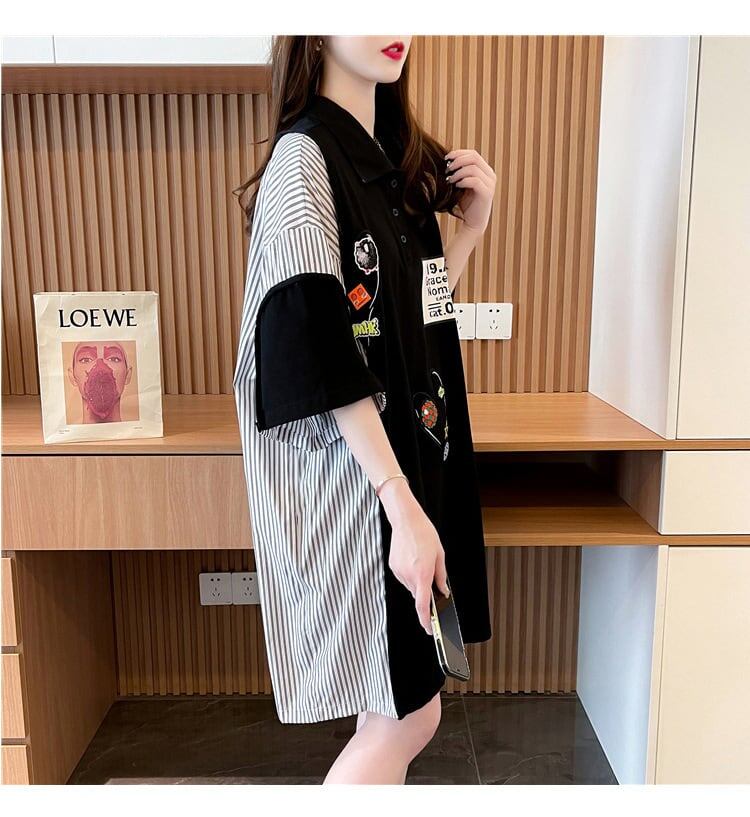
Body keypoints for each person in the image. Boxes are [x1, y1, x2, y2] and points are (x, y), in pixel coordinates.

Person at [232, 35, 496, 785]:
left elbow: (414, 318)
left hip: (402, 463)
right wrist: (398, 504)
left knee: (394, 705)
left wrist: (469, 232)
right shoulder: (305, 160)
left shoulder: (385, 162)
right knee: (409, 713)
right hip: (362, 483)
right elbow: (317, 348)